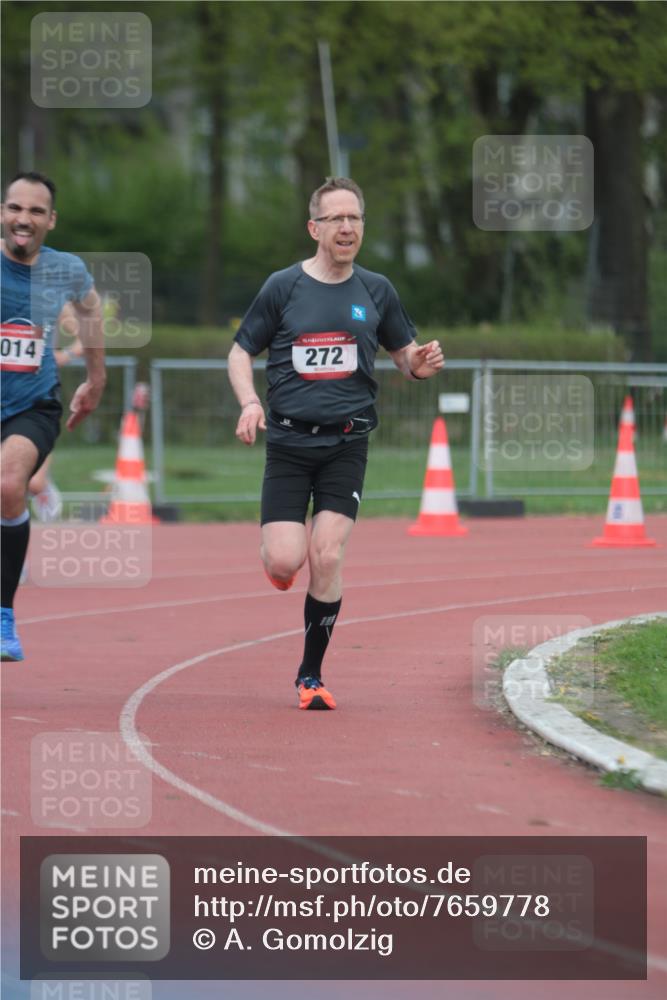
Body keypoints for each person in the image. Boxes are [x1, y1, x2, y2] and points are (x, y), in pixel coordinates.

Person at [228, 176, 444, 710]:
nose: (347, 227)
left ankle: (310, 675)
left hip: (347, 445)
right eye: (335, 219)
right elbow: (239, 352)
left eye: (355, 218)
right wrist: (250, 402)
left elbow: (404, 355)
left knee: (327, 554)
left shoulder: (377, 290)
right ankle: (279, 562)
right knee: (286, 562)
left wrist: (418, 365)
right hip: (288, 444)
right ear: (314, 228)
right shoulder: (283, 287)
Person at [1, 171, 106, 661]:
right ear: (3, 213)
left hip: (33, 403)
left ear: (51, 220)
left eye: (35, 211)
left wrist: (96, 378)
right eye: (15, 208)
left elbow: (89, 312)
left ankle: (3, 615)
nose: (24, 219)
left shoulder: (65, 269)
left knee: (8, 483)